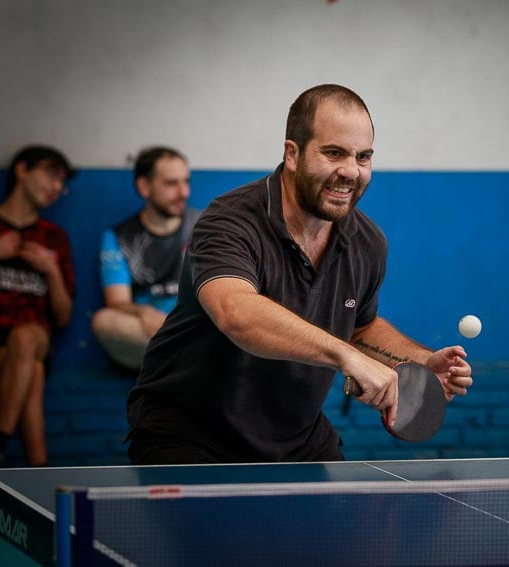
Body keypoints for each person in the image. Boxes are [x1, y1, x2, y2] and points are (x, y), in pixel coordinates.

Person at [127, 84, 473, 464]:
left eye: (363, 157)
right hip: (191, 434)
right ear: (292, 153)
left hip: (295, 438)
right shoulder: (228, 222)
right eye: (334, 153)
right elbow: (235, 312)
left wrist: (419, 360)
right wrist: (345, 357)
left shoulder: (368, 242)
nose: (350, 171)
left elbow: (358, 327)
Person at [0, 145, 76, 468]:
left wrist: (51, 272)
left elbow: (63, 317)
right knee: (31, 371)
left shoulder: (53, 237)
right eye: (51, 175)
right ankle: (40, 474)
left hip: (37, 336)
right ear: (22, 170)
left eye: (62, 184)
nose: (57, 188)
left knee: (26, 338)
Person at [91, 147, 200, 371]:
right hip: (149, 331)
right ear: (144, 187)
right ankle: (185, 365)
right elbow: (117, 302)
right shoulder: (119, 237)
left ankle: (176, 365)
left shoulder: (205, 224)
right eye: (171, 183)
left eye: (186, 181)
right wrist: (143, 312)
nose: (184, 192)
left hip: (194, 327)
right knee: (104, 322)